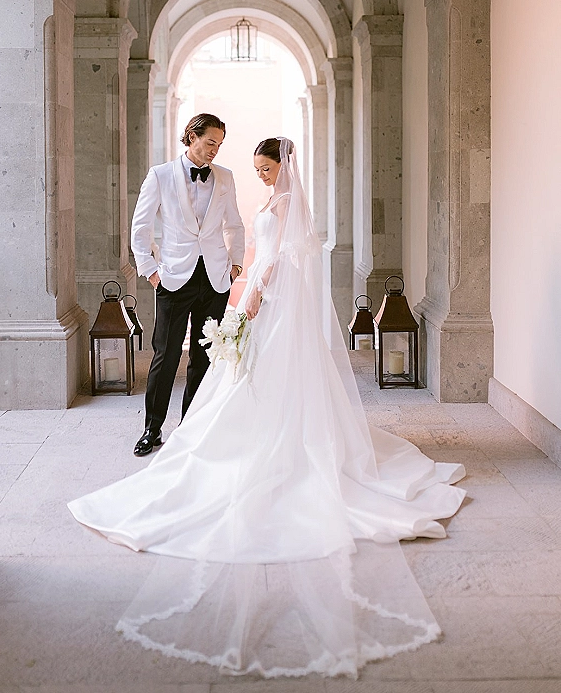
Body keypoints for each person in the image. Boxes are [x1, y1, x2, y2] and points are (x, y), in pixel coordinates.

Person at [69, 138, 466, 678]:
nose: (260, 175)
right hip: (234, 287)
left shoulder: (284, 205)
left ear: (285, 166)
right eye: (256, 168)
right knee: (201, 367)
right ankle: (169, 429)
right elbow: (246, 245)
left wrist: (251, 294)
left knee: (256, 379)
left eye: (266, 167)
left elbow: (276, 256)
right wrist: (238, 280)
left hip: (269, 298)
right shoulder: (250, 195)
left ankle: (272, 447)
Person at [129, 113, 245, 456]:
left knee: (204, 355)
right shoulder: (160, 175)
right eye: (210, 142)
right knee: (165, 355)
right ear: (191, 136)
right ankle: (152, 429)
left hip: (214, 277)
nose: (215, 150)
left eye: (220, 144)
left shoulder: (225, 177)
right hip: (173, 277)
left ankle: (191, 428)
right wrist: (151, 271)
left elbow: (234, 224)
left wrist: (235, 264)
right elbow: (140, 229)